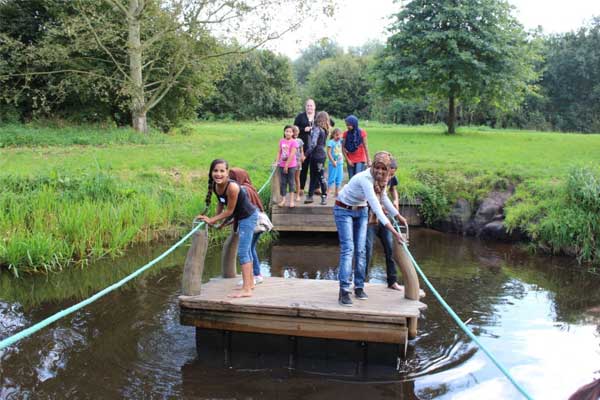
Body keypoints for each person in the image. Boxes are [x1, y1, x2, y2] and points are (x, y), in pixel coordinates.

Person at [333, 151, 408, 307]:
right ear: (373, 165)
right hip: (343, 210)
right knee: (348, 249)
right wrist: (395, 232)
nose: (380, 172)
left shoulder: (382, 180)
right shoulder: (366, 179)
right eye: (377, 168)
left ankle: (359, 287)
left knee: (361, 250)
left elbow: (384, 198)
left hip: (360, 211)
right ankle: (344, 291)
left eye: (383, 169)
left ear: (387, 170)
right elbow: (376, 207)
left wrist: (398, 216)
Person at [198, 159, 258, 298]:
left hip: (248, 217)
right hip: (240, 216)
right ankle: (250, 284)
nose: (218, 174)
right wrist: (216, 220)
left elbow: (230, 211)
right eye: (215, 171)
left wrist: (211, 220)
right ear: (211, 172)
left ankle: (247, 289)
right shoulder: (215, 185)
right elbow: (221, 202)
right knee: (246, 251)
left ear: (227, 173)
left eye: (222, 171)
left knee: (243, 252)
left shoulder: (232, 187)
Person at [365, 158, 403, 291]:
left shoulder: (389, 178)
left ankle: (392, 281)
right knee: (367, 251)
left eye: (392, 174)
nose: (390, 177)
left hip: (384, 219)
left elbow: (388, 193)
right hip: (370, 220)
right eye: (389, 174)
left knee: (390, 249)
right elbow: (371, 201)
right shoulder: (371, 180)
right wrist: (381, 207)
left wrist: (395, 204)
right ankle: (361, 282)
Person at [229, 167, 266, 285]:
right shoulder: (250, 186)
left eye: (232, 178)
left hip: (252, 223)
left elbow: (242, 209)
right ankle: (257, 274)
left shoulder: (243, 189)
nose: (230, 181)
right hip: (259, 221)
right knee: (251, 248)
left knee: (246, 250)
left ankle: (253, 277)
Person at [293, 99, 334, 195]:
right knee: (303, 166)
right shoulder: (300, 117)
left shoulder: (319, 116)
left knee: (316, 168)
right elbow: (294, 128)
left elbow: (331, 122)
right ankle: (301, 188)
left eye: (311, 106)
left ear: (315, 107)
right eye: (308, 105)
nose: (309, 107)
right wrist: (304, 129)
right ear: (305, 107)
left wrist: (322, 127)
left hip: (317, 148)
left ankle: (316, 188)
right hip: (304, 145)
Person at [305, 111, 329, 205]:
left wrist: (305, 155)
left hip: (316, 156)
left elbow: (313, 144)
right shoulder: (325, 130)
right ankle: (321, 197)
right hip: (321, 155)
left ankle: (311, 196)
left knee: (315, 176)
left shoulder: (317, 129)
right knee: (320, 176)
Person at [342, 115, 370, 180]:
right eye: (346, 125)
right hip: (350, 159)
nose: (347, 127)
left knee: (358, 178)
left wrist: (368, 160)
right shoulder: (346, 134)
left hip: (360, 158)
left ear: (354, 124)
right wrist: (348, 160)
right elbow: (343, 148)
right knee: (351, 179)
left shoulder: (362, 133)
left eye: (349, 125)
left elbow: (366, 146)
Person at [276, 125, 298, 208]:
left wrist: (287, 165)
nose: (288, 133)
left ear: (293, 133)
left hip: (291, 165)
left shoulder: (294, 142)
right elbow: (279, 152)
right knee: (283, 182)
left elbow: (292, 154)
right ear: (284, 132)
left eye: (290, 132)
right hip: (282, 165)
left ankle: (291, 200)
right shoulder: (281, 141)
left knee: (291, 182)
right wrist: (277, 161)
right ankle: (283, 200)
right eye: (286, 131)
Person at [327, 127, 344, 197]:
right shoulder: (331, 142)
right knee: (331, 177)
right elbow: (328, 152)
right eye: (337, 135)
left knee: (339, 177)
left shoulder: (340, 141)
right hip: (333, 164)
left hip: (340, 163)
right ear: (333, 135)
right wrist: (333, 161)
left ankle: (336, 192)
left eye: (340, 135)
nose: (338, 136)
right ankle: (328, 192)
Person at [292, 125, 305, 202]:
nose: (295, 133)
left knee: (297, 178)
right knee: (291, 179)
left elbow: (301, 150)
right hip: (291, 162)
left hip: (298, 162)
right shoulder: (289, 140)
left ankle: (297, 195)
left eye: (297, 131)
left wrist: (302, 156)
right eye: (294, 131)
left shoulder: (300, 141)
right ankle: (292, 195)